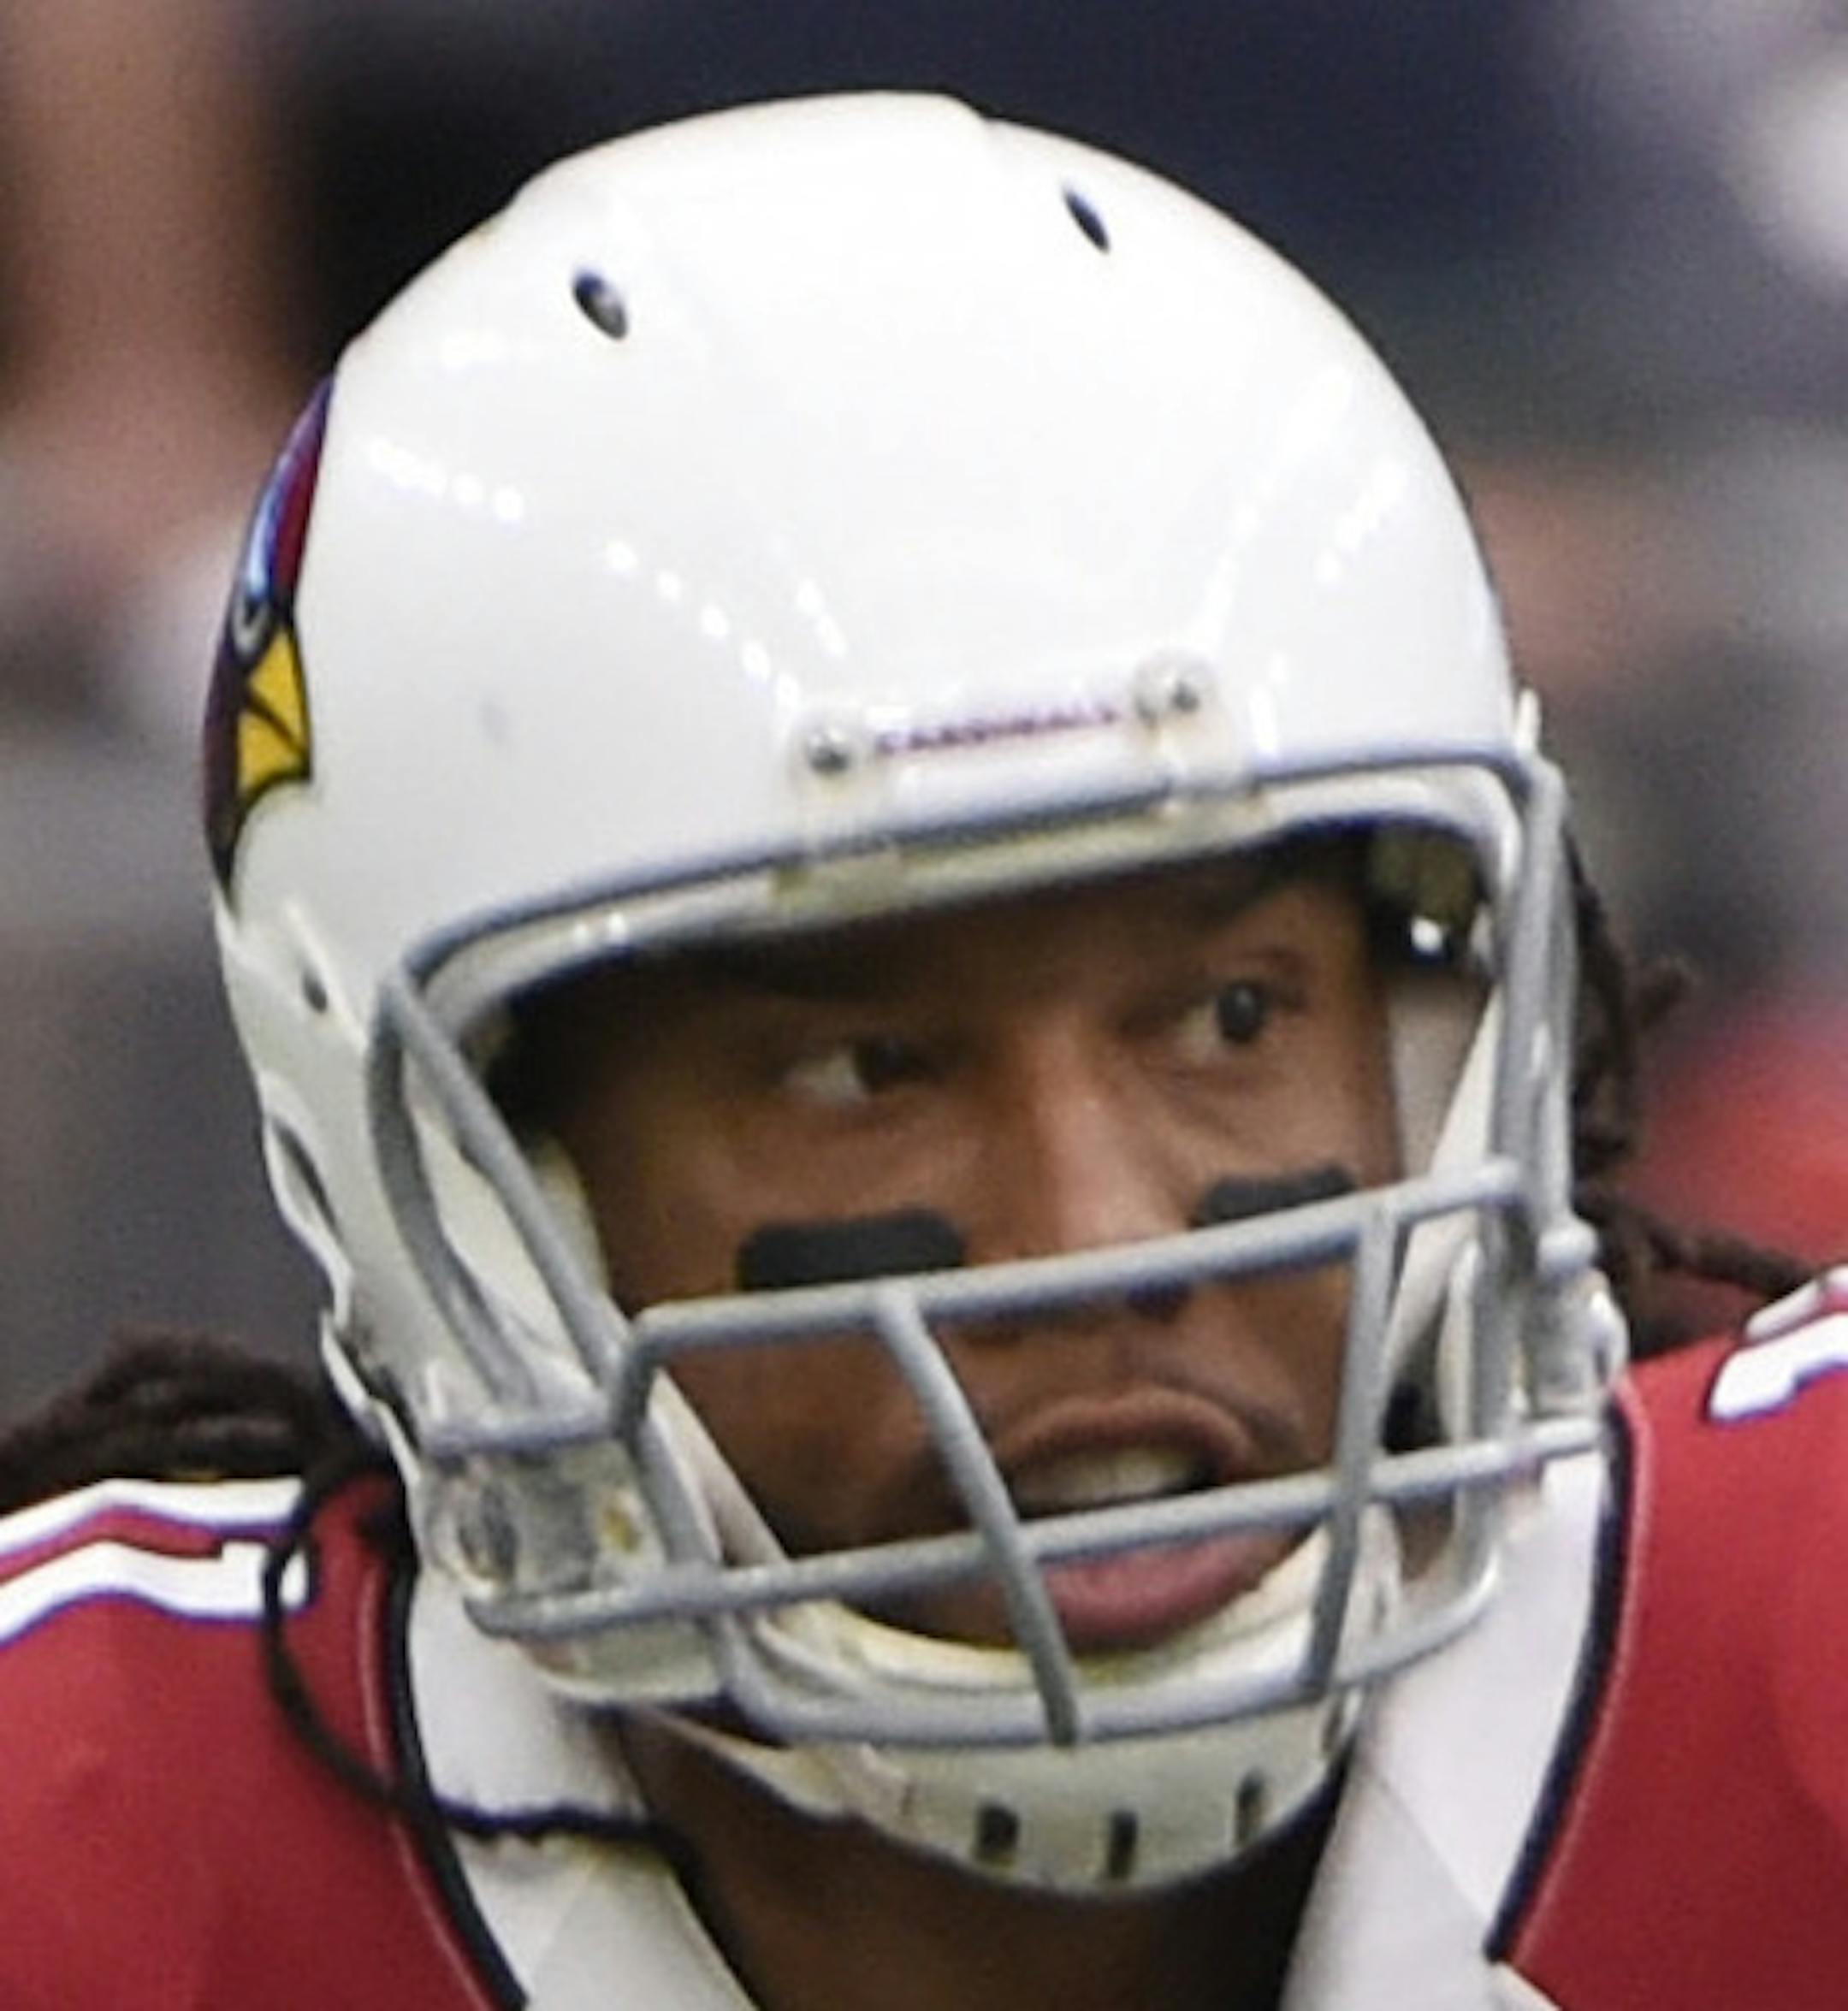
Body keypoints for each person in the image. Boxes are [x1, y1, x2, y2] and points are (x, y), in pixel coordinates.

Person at [0, 94, 1838, 2009]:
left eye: (1229, 1015)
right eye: (865, 1071)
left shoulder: (1798, 1673)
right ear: (458, 1185)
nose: (1094, 1236)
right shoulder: (95, 1868)